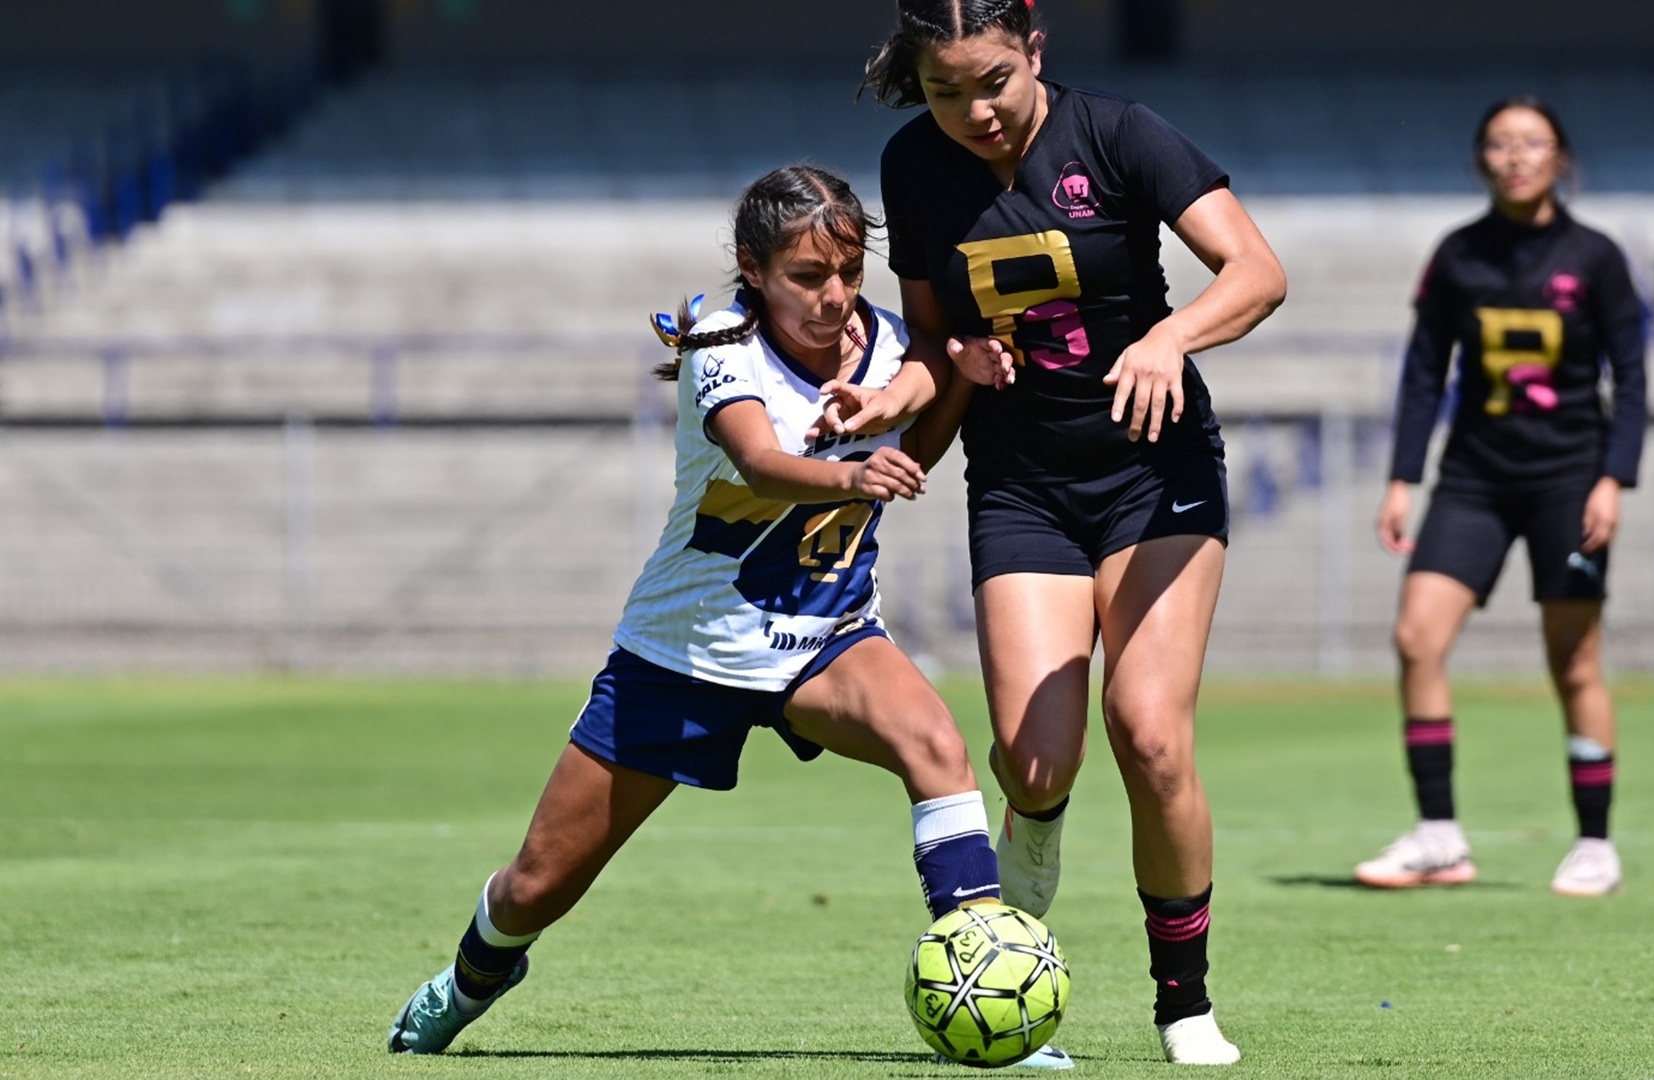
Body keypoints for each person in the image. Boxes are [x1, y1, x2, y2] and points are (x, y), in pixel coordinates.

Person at [386, 165, 1069, 1069]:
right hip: (682, 655)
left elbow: (916, 440)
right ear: (754, 268)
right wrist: (852, 474)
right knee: (535, 886)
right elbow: (757, 461)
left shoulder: (892, 345)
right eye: (805, 277)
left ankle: (991, 992)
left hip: (825, 638)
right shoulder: (719, 337)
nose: (832, 298)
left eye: (847, 273)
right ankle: (472, 978)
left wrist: (960, 377)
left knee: (937, 750)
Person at [844, 0, 1288, 1065]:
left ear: (1034, 50)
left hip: (1154, 476)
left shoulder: (1122, 132)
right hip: (1023, 488)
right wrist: (919, 395)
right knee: (1037, 767)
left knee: (1149, 732)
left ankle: (1183, 1004)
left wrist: (1168, 340)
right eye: (946, 92)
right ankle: (1031, 851)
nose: (974, 112)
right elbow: (936, 342)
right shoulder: (915, 166)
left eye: (992, 82)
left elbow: (1258, 273)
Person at [1355, 96, 1648, 898]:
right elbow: (1423, 373)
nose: (1516, 156)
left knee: (1574, 661)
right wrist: (1402, 478)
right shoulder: (1457, 256)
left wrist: (1613, 480)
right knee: (1417, 638)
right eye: (1500, 143)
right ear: (1481, 158)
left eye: (1533, 143)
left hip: (1569, 483)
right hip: (1474, 480)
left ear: (1560, 156)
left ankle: (1595, 845)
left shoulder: (1596, 258)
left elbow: (1633, 376)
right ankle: (1439, 837)